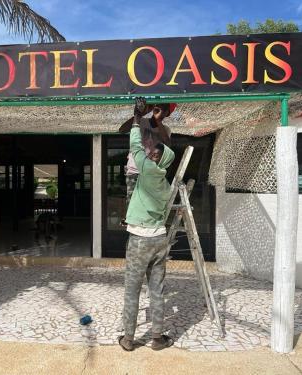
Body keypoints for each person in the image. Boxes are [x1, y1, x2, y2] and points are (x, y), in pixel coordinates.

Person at [118, 97, 175, 351]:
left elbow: (134, 145)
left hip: (140, 241)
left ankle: (128, 339)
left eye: (155, 152)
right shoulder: (166, 185)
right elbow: (148, 147)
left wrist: (138, 115)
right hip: (160, 240)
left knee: (132, 291)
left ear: (157, 160)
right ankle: (157, 338)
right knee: (157, 290)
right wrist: (146, 119)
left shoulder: (147, 169)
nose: (152, 151)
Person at [118, 101, 176, 225]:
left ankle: (149, 225)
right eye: (159, 105)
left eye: (164, 108)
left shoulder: (165, 129)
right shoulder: (142, 122)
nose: (160, 108)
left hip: (151, 173)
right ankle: (131, 223)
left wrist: (158, 121)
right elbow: (122, 130)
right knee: (132, 201)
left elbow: (168, 146)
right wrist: (139, 115)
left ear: (167, 114)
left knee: (149, 203)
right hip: (135, 170)